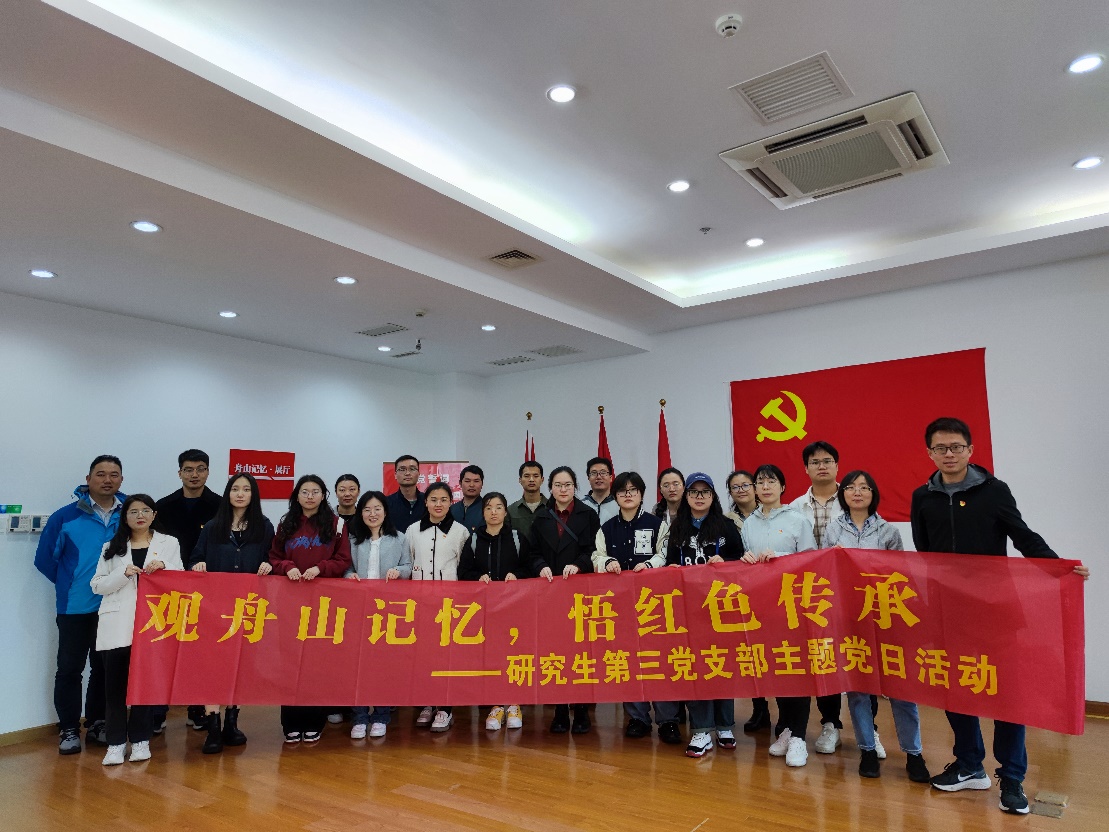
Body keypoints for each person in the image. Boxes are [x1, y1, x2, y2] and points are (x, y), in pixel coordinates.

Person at [911, 417, 1089, 815]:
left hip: (996, 611)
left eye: (956, 447)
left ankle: (1012, 778)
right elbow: (925, 553)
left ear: (970, 450)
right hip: (949, 611)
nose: (949, 454)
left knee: (1006, 694)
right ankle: (969, 765)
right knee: (956, 688)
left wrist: (1058, 568)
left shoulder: (994, 491)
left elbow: (1022, 535)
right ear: (930, 453)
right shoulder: (922, 497)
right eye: (941, 448)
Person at [825, 470, 930, 783]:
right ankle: (867, 750)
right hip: (850, 618)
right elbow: (826, 574)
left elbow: (900, 574)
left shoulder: (889, 531)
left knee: (901, 689)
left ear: (873, 494)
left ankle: (914, 753)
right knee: (858, 688)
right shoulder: (833, 530)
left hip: (886, 616)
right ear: (843, 493)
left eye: (864, 487)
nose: (857, 492)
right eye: (851, 487)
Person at [35, 454, 124, 755]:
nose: (107, 480)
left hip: (113, 606)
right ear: (88, 479)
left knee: (104, 669)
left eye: (114, 474)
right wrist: (70, 585)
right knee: (70, 669)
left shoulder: (129, 513)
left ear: (121, 479)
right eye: (100, 474)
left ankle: (98, 723)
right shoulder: (65, 517)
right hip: (75, 607)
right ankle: (69, 728)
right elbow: (45, 560)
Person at [91, 494, 182, 765]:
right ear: (125, 517)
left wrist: (165, 566)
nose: (139, 516)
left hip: (152, 624)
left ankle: (141, 740)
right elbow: (97, 585)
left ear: (154, 515)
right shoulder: (112, 546)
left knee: (145, 685)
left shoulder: (169, 543)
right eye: (133, 511)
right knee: (115, 688)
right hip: (118, 624)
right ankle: (116, 744)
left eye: (145, 511)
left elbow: (182, 577)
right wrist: (123, 574)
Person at [188, 473, 276, 753]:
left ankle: (232, 723)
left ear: (253, 495)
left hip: (249, 608)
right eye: (235, 489)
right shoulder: (213, 527)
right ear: (227, 493)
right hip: (216, 609)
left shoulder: (264, 526)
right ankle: (212, 726)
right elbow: (195, 558)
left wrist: (269, 565)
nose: (240, 494)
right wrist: (198, 565)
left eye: (246, 489)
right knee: (213, 667)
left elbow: (272, 559)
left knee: (241, 666)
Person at [592, 472, 680, 744]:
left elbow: (664, 553)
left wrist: (650, 565)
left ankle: (668, 720)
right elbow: (596, 555)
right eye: (622, 491)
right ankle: (637, 718)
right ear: (615, 496)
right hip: (620, 605)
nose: (628, 495)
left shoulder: (657, 524)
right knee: (628, 659)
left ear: (642, 494)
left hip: (654, 603)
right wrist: (606, 563)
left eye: (633, 490)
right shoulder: (607, 528)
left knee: (659, 660)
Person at [740, 464, 817, 767]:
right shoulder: (749, 524)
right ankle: (786, 728)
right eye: (760, 482)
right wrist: (745, 559)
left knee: (797, 670)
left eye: (771, 481)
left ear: (782, 487)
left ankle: (799, 736)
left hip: (794, 605)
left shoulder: (797, 519)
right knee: (778, 668)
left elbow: (811, 560)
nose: (765, 487)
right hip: (763, 607)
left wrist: (781, 558)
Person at [665, 472, 743, 758]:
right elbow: (670, 562)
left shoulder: (726, 526)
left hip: (720, 607)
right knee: (695, 666)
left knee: (721, 664)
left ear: (713, 496)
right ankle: (701, 730)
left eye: (705, 492)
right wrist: (672, 569)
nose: (699, 497)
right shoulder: (677, 527)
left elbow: (742, 561)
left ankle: (724, 725)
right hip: (689, 609)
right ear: (686, 497)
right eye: (694, 492)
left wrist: (726, 562)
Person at [268, 475, 352, 744]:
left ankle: (314, 721)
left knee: (317, 662)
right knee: (290, 661)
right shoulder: (286, 523)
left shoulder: (337, 524)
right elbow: (274, 557)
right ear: (297, 496)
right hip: (290, 601)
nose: (310, 496)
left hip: (324, 602)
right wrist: (288, 567)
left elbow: (343, 559)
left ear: (323, 495)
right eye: (305, 492)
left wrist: (320, 568)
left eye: (316, 491)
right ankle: (291, 723)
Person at [522, 465, 600, 734]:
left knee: (580, 652)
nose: (563, 489)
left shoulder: (588, 515)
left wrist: (579, 565)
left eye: (567, 485)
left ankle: (581, 709)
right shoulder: (542, 517)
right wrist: (541, 566)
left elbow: (595, 550)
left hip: (580, 592)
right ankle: (559, 710)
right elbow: (531, 553)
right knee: (554, 652)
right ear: (550, 488)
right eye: (558, 485)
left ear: (575, 487)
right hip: (550, 594)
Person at [155, 449, 221, 733]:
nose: (195, 475)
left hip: (208, 589)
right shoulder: (163, 506)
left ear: (208, 472)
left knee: (201, 651)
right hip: (170, 588)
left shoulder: (220, 506)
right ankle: (157, 712)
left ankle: (198, 709)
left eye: (200, 469)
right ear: (179, 472)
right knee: (165, 649)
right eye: (189, 469)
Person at [788, 440, 846, 754]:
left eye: (827, 461)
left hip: (842, 592)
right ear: (806, 468)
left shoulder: (852, 499)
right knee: (805, 657)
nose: (821, 466)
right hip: (805, 592)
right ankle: (794, 728)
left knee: (832, 658)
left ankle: (832, 723)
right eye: (814, 462)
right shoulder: (795, 507)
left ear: (836, 465)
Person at [344, 491, 411, 739]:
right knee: (357, 665)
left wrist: (398, 571)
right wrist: (348, 575)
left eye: (377, 509)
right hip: (359, 610)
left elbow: (408, 566)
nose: (372, 514)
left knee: (384, 665)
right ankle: (360, 717)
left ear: (385, 511)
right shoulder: (353, 540)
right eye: (367, 510)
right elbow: (345, 566)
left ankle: (381, 715)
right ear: (360, 513)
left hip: (387, 610)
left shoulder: (399, 538)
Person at [406, 481, 469, 732]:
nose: (438, 504)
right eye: (433, 499)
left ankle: (445, 708)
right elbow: (410, 561)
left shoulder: (460, 532)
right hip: (421, 603)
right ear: (426, 502)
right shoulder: (412, 530)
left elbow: (463, 567)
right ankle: (427, 702)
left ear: (451, 502)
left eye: (444, 499)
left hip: (449, 606)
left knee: (447, 657)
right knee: (423, 656)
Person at [460, 492, 525, 732]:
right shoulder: (474, 539)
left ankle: (514, 704)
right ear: (483, 513)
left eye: (498, 507)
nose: (494, 512)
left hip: (514, 608)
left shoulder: (517, 538)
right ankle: (495, 705)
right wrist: (477, 577)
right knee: (491, 656)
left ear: (506, 511)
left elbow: (529, 566)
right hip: (484, 610)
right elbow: (463, 571)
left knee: (514, 655)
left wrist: (517, 575)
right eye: (488, 507)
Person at [725, 470, 773, 735]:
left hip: (771, 590)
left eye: (746, 485)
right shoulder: (726, 521)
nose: (741, 490)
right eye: (735, 487)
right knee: (751, 651)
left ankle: (785, 712)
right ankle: (759, 707)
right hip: (742, 593)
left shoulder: (769, 514)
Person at [385, 455, 426, 533]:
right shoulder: (386, 503)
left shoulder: (427, 501)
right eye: (402, 469)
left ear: (419, 474)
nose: (407, 473)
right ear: (395, 475)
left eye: (412, 469)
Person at [508, 461, 545, 539]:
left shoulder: (552, 508)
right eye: (527, 476)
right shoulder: (511, 511)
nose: (531, 479)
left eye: (536, 476)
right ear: (520, 480)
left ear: (542, 480)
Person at [582, 456, 618, 525]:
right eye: (594, 473)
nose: (598, 477)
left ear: (611, 478)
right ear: (588, 478)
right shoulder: (580, 505)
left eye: (603, 472)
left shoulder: (620, 504)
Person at [450, 464, 485, 533]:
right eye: (467, 481)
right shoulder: (452, 510)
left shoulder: (487, 509)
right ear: (460, 483)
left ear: (482, 484)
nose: (471, 485)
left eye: (476, 481)